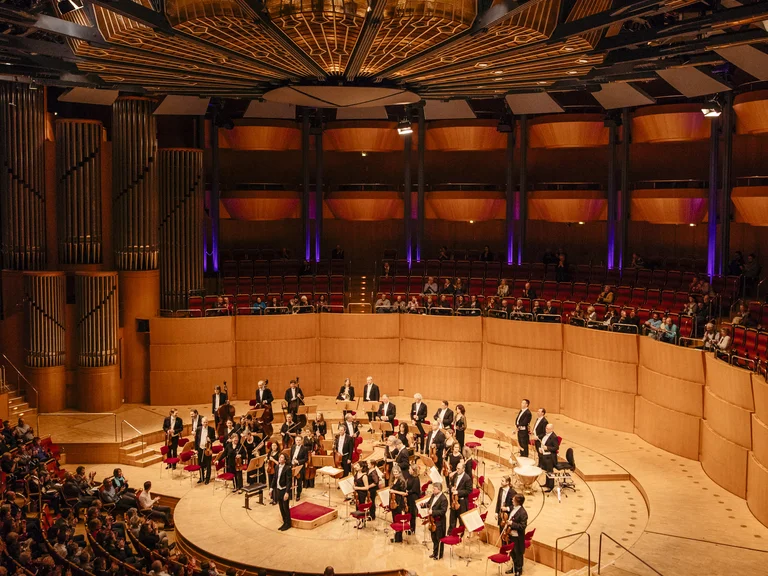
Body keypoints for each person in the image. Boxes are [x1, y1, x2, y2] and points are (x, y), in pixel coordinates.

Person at [504, 494, 529, 576]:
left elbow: (523, 526)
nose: (512, 500)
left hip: (517, 537)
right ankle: (514, 567)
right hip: (510, 534)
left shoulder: (523, 513)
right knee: (512, 553)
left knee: (518, 553)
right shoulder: (513, 508)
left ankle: (519, 570)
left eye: (513, 500)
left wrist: (512, 523)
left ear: (518, 502)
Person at [423, 482, 448, 559]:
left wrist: (433, 512)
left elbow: (443, 511)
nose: (432, 490)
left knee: (439, 538)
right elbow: (429, 503)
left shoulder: (444, 499)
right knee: (434, 538)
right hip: (433, 521)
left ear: (439, 489)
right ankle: (435, 553)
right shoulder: (433, 496)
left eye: (434, 488)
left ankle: (439, 555)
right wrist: (424, 505)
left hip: (440, 522)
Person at [271, 453, 292, 531]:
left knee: (285, 507)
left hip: (284, 490)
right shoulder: (276, 467)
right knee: (280, 506)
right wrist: (271, 488)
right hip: (278, 489)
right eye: (280, 457)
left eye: (282, 457)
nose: (280, 458)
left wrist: (287, 492)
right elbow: (274, 478)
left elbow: (289, 482)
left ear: (285, 460)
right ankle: (284, 522)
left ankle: (288, 523)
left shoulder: (287, 468)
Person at [448, 462, 472, 531]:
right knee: (452, 519)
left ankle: (461, 535)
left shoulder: (467, 478)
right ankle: (451, 533)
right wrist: (451, 487)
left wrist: (458, 492)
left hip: (462, 503)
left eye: (459, 468)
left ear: (463, 469)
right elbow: (451, 484)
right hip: (453, 501)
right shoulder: (456, 475)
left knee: (461, 521)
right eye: (457, 468)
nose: (457, 470)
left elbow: (469, 491)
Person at [539, 424, 559, 492]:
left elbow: (556, 448)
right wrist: (541, 449)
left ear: (551, 429)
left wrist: (547, 448)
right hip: (545, 455)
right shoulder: (546, 435)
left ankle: (551, 486)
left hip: (550, 457)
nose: (546, 429)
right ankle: (547, 484)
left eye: (547, 428)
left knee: (550, 472)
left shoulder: (554, 437)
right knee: (547, 471)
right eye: (546, 428)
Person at [195, 417, 215, 485]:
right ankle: (201, 477)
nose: (205, 423)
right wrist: (196, 449)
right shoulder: (198, 429)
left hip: (208, 449)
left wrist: (210, 440)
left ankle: (207, 478)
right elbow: (196, 440)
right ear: (201, 422)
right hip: (200, 448)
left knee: (208, 464)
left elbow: (214, 438)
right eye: (204, 422)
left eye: (206, 422)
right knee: (200, 464)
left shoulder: (211, 429)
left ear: (208, 422)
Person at [288, 433, 308, 501]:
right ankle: (291, 494)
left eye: (299, 440)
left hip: (299, 467)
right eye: (297, 440)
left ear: (301, 441)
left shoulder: (304, 448)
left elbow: (306, 459)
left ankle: (298, 494)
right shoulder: (293, 447)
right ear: (295, 440)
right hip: (292, 466)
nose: (298, 441)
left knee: (299, 481)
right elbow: (291, 456)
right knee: (291, 480)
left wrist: (298, 462)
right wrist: (291, 463)